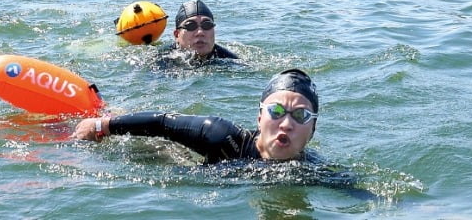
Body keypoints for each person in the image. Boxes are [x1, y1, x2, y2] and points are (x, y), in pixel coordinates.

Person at [72, 69, 321, 164]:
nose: (286, 124)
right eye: (275, 111)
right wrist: (99, 125)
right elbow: (162, 123)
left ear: (312, 130)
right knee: (160, 153)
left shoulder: (315, 171)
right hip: (179, 154)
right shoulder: (221, 135)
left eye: (300, 115)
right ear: (259, 118)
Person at [164, 0, 238, 62]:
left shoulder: (231, 60)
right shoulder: (161, 60)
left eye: (207, 25)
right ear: (177, 34)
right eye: (191, 26)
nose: (200, 32)